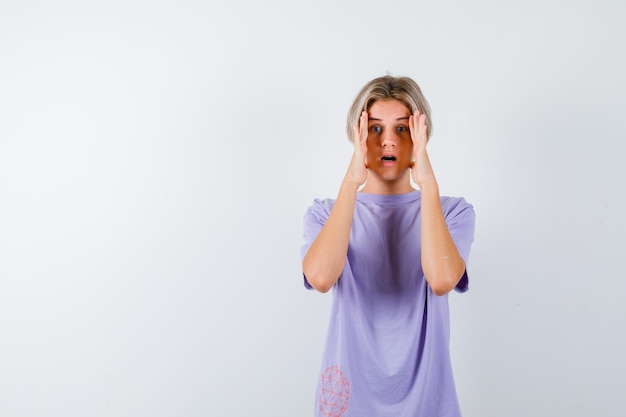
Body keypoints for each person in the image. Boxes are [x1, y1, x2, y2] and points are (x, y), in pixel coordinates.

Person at [300, 75, 475, 417]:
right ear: (358, 135)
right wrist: (352, 180)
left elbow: (441, 280)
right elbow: (321, 278)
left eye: (402, 129)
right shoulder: (323, 213)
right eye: (376, 129)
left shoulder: (454, 212)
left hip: (429, 406)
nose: (389, 142)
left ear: (421, 136)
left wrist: (427, 183)